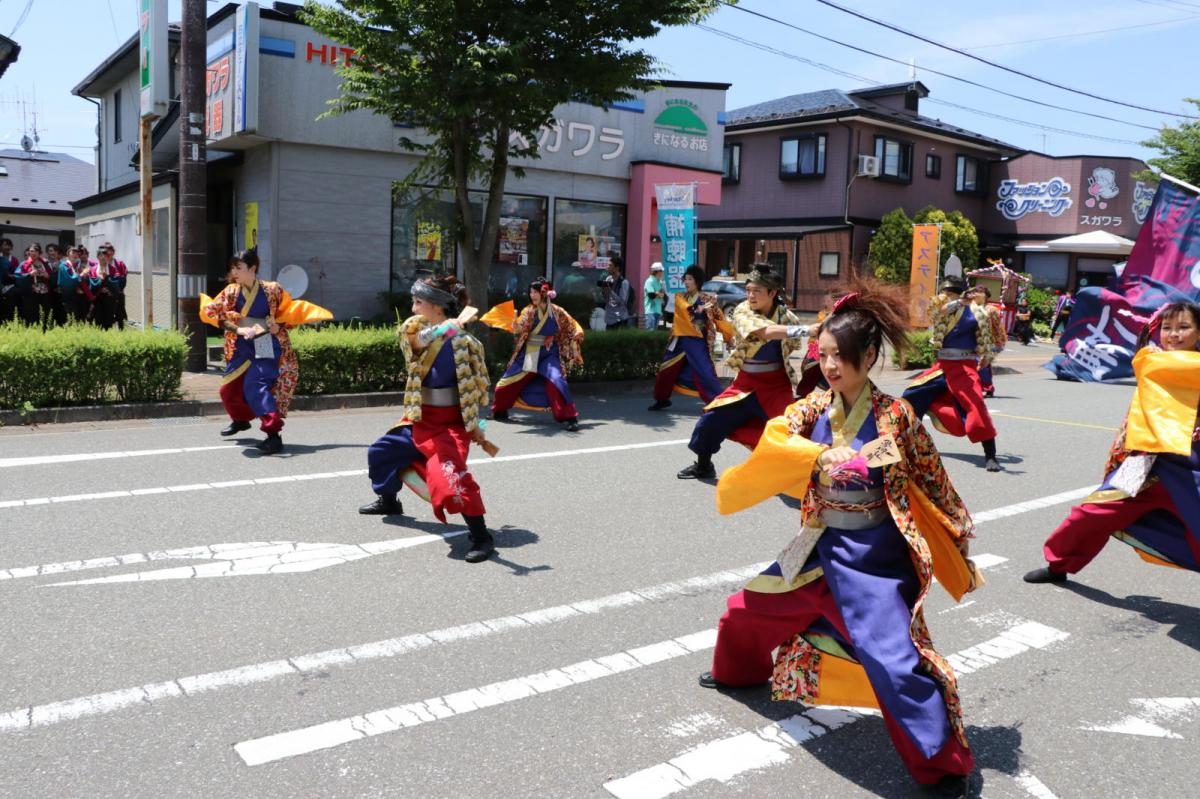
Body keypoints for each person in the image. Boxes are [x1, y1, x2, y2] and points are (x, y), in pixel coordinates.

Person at [700, 278, 981, 798]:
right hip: (817, 544)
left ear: (868, 355)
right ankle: (736, 672)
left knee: (894, 661)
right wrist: (817, 455)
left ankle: (942, 766)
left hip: (872, 557)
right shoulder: (813, 406)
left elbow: (928, 474)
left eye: (840, 356)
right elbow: (777, 434)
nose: (829, 366)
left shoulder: (896, 417)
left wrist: (956, 531)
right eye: (823, 355)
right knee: (745, 609)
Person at [1025, 301, 1200, 584]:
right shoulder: (1151, 361)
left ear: (1198, 332)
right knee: (1091, 512)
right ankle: (1059, 566)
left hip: (1192, 470)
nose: (1174, 334)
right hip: (1147, 465)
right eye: (1167, 328)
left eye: (1184, 327)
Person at [360, 275, 496, 563]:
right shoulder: (417, 330)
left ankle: (482, 537)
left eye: (418, 302)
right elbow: (411, 342)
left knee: (450, 478)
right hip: (418, 419)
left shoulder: (466, 344)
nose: (412, 308)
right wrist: (441, 330)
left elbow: (480, 389)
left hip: (449, 427)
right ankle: (389, 500)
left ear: (436, 306)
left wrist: (478, 427)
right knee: (381, 452)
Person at [677, 264, 803, 479]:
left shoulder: (789, 318)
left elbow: (798, 347)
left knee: (791, 431)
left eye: (757, 291)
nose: (751, 295)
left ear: (772, 293)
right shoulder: (742, 311)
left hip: (776, 385)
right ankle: (703, 464)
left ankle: (797, 473)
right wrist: (809, 329)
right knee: (710, 420)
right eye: (748, 290)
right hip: (745, 383)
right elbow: (764, 331)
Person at [202, 249, 300, 455]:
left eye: (239, 268)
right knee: (227, 390)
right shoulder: (231, 292)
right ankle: (240, 419)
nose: (234, 272)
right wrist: (238, 328)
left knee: (256, 385)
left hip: (265, 342)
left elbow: (289, 314)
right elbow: (215, 314)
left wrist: (278, 326)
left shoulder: (273, 290)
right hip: (240, 345)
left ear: (252, 269)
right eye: (232, 268)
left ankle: (273, 435)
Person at [902, 277, 1003, 472]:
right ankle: (907, 444)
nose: (944, 296)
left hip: (964, 367)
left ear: (958, 292)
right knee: (910, 397)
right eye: (944, 293)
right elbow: (936, 314)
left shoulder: (976, 312)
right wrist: (958, 302)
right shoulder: (940, 308)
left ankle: (991, 456)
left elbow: (986, 338)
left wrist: (988, 356)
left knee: (977, 408)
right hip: (941, 366)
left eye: (949, 293)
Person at [491, 277, 585, 432]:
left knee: (556, 380)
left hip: (549, 353)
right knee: (507, 382)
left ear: (545, 293)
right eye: (531, 292)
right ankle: (499, 410)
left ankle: (570, 417)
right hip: (531, 352)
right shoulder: (529, 311)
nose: (532, 295)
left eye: (535, 292)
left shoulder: (557, 311)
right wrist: (516, 326)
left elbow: (570, 326)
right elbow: (521, 325)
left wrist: (555, 336)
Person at [649, 265, 734, 411]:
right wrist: (666, 302)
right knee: (665, 369)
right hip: (679, 340)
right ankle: (661, 399)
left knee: (705, 371)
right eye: (685, 279)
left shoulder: (708, 299)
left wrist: (729, 337)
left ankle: (718, 402)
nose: (686, 282)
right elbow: (671, 317)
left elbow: (720, 320)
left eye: (690, 279)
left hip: (697, 341)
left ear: (698, 281)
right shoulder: (679, 297)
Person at [15, 243, 52, 328]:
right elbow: (17, 277)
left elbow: (51, 277)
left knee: (45, 313)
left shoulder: (45, 264)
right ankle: (33, 331)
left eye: (36, 251)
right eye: (31, 251)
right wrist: (29, 274)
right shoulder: (24, 264)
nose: (33, 253)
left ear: (40, 253)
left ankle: (45, 331)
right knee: (32, 314)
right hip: (31, 293)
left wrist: (47, 275)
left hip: (44, 292)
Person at [100, 242, 128, 329]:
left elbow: (123, 278)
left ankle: (121, 331)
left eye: (110, 250)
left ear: (113, 251)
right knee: (107, 315)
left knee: (120, 315)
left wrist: (118, 288)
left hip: (118, 293)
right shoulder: (99, 264)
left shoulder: (119, 264)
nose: (108, 252)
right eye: (106, 251)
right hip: (105, 294)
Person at [601, 259, 632, 329]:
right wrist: (604, 292)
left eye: (610, 265)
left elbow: (622, 302)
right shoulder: (608, 279)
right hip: (609, 318)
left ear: (617, 268)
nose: (608, 267)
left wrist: (610, 291)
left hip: (620, 319)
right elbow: (607, 299)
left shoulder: (624, 282)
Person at [643, 262, 666, 330]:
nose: (662, 272)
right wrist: (658, 294)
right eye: (661, 271)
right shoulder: (649, 281)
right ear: (656, 271)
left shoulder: (660, 282)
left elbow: (662, 295)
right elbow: (651, 295)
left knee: (654, 332)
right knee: (650, 331)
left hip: (658, 310)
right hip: (650, 311)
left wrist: (657, 293)